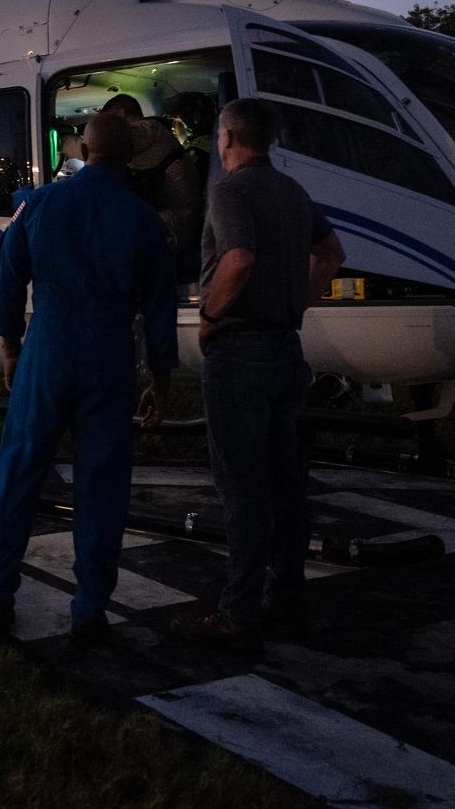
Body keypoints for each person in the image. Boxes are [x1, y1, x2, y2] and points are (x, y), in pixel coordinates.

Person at [0, 113, 179, 642]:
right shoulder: (143, 220)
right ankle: (89, 609)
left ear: (82, 149)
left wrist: (11, 347)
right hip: (109, 357)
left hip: (48, 348)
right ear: (131, 154)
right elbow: (160, 310)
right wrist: (160, 378)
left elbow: (9, 275)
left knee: (18, 469)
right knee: (103, 484)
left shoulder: (41, 203)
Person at [172, 98, 345, 645]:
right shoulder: (293, 192)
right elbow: (332, 251)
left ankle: (238, 612)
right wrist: (297, 303)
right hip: (284, 350)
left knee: (242, 489)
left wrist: (211, 316)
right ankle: (287, 599)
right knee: (286, 486)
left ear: (225, 138)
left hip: (239, 352)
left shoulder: (229, 191)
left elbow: (238, 258)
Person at [126, 115, 205, 282]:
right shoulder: (165, 148)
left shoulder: (150, 133)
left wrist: (67, 143)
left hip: (175, 231)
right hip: (179, 228)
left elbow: (107, 143)